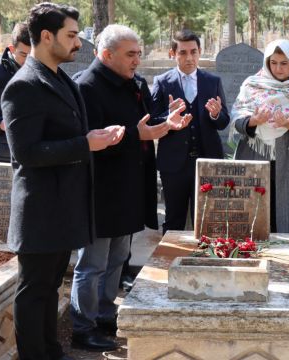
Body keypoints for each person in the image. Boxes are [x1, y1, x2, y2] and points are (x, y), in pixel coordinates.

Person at [1, 3, 124, 359]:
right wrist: (85, 144)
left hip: (63, 205)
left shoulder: (59, 77)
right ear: (45, 36)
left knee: (50, 286)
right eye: (71, 35)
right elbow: (25, 152)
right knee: (34, 289)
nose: (77, 43)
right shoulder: (23, 85)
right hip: (41, 209)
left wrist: (94, 137)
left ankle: (51, 351)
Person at [70, 24, 190, 352]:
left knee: (118, 257)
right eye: (130, 55)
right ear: (107, 55)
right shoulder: (87, 86)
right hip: (100, 187)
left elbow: (143, 125)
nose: (137, 60)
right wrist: (142, 134)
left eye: (139, 54)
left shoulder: (133, 83)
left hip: (129, 185)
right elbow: (94, 141)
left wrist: (167, 122)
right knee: (93, 262)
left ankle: (106, 314)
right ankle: (82, 326)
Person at [230, 39, 289, 235]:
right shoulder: (252, 85)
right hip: (255, 155)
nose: (278, 69)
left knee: (285, 212)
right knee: (254, 209)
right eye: (273, 63)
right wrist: (253, 121)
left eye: (284, 63)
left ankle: (287, 258)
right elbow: (237, 119)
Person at [151, 29, 230, 234]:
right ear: (173, 54)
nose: (189, 58)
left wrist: (215, 114)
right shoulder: (162, 82)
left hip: (207, 160)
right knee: (173, 219)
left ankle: (204, 262)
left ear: (200, 52)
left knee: (206, 220)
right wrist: (168, 117)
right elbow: (151, 121)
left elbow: (223, 122)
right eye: (183, 53)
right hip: (174, 163)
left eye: (193, 52)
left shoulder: (213, 81)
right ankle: (168, 261)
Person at [0, 22, 31, 163]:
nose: (28, 60)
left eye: (32, 55)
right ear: (11, 48)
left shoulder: (43, 72)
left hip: (32, 153)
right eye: (23, 54)